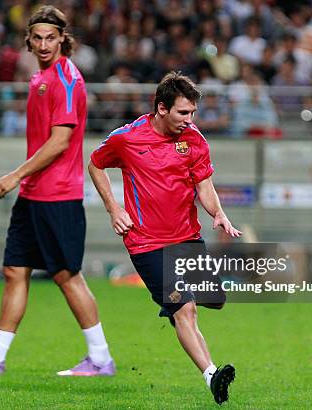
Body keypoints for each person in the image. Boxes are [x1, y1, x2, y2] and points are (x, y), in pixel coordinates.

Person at [0, 5, 114, 376]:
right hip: (34, 195)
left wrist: (14, 176)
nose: (43, 44)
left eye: (50, 38)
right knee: (13, 270)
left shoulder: (67, 80)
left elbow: (59, 142)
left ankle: (101, 359)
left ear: (62, 39)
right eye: (36, 38)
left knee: (67, 276)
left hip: (59, 195)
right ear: (28, 40)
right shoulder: (40, 78)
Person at [88, 72, 241, 404]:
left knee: (214, 299)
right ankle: (212, 375)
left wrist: (218, 212)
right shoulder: (127, 138)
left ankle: (174, 307)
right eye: (183, 113)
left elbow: (204, 185)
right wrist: (114, 208)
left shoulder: (195, 139)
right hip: (146, 243)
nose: (190, 120)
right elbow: (96, 164)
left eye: (193, 113)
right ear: (161, 108)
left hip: (186, 237)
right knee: (185, 309)